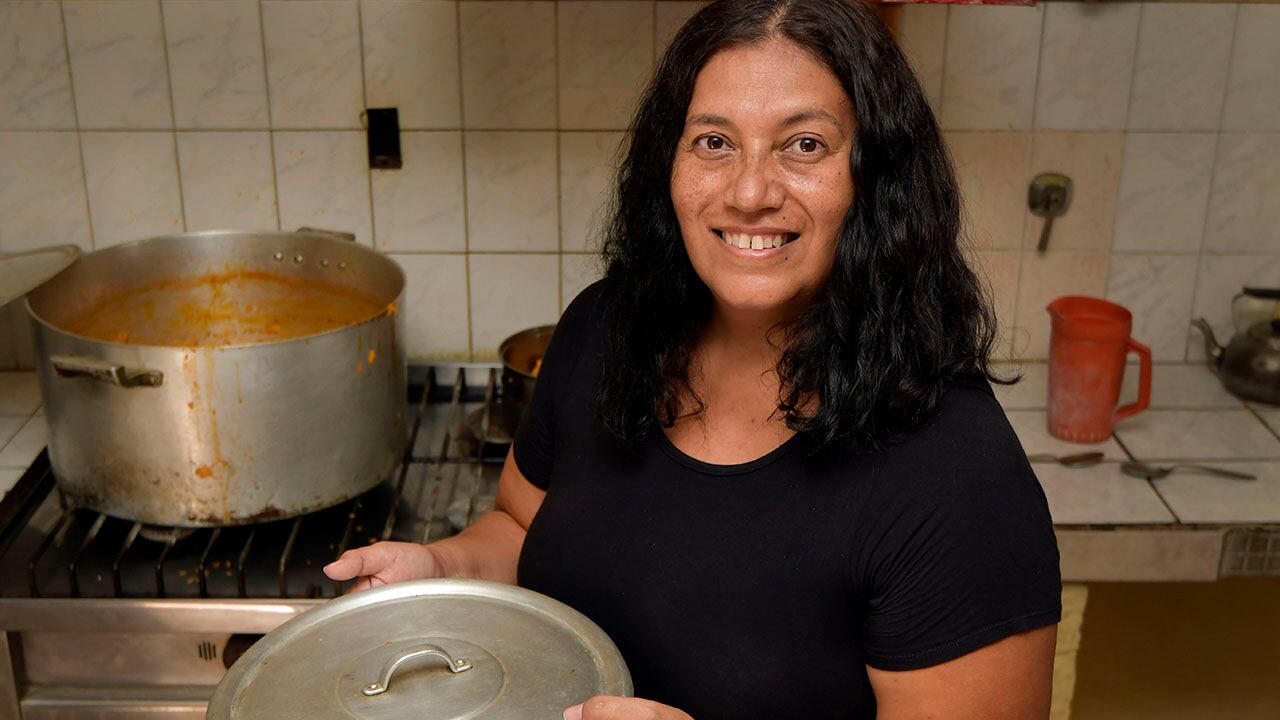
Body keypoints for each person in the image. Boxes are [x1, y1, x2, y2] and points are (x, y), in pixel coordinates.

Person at [325, 1, 1062, 717]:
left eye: (804, 145)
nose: (749, 192)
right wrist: (444, 572)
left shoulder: (958, 473)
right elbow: (523, 531)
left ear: (874, 177)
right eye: (714, 141)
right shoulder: (603, 330)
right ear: (668, 163)